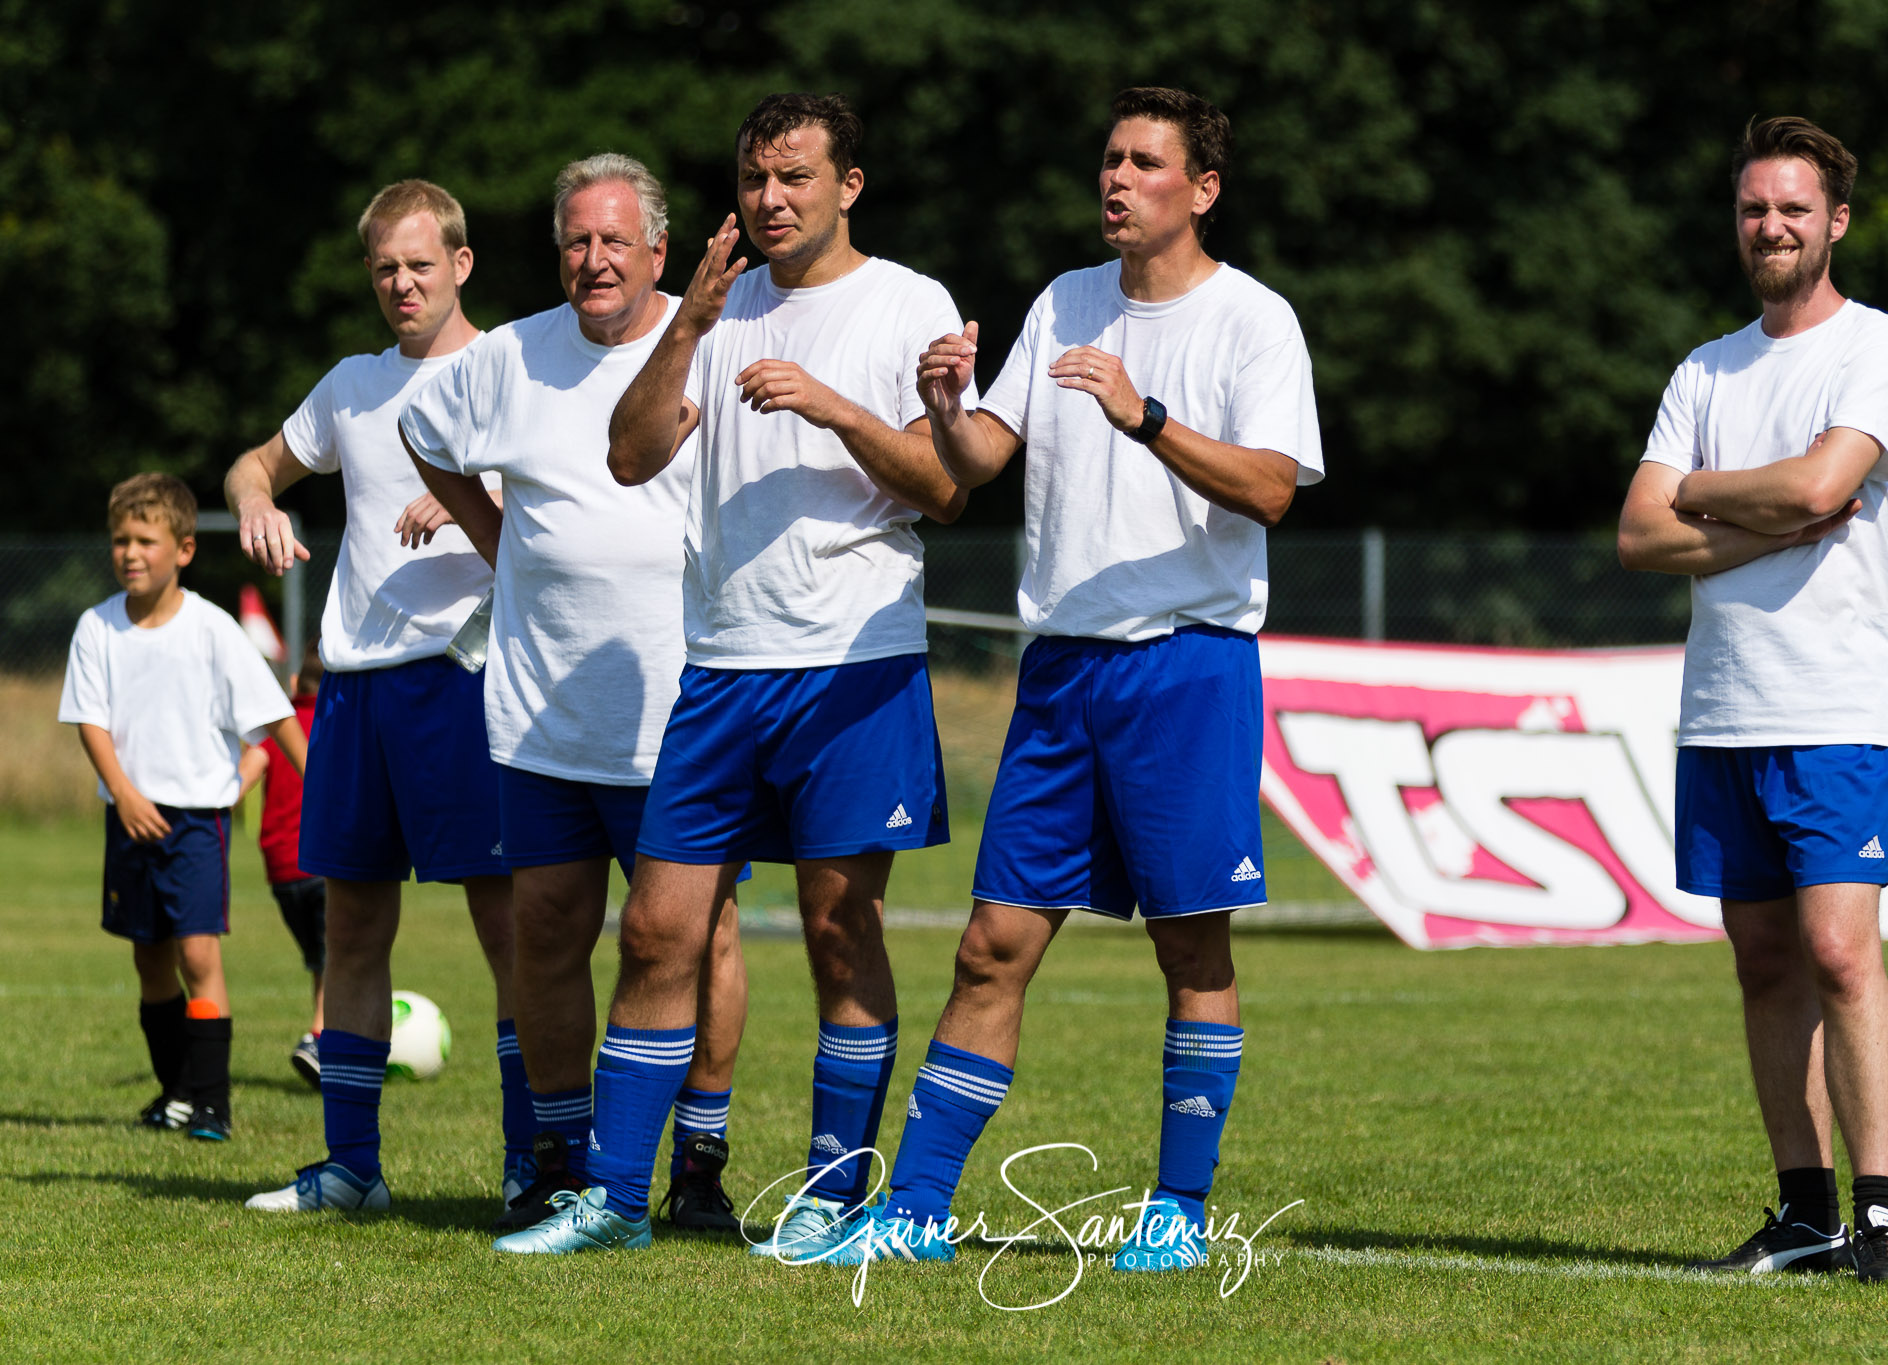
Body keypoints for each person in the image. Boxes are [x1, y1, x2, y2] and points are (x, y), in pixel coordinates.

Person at [840, 86, 1322, 1272]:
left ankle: (1177, 1211)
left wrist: (1144, 414)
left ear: (1199, 189)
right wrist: (946, 406)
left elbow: (1270, 489)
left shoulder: (1253, 322)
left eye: (1142, 162)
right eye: (1107, 157)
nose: (1114, 179)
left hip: (1186, 668)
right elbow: (977, 466)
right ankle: (915, 1212)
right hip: (1058, 674)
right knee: (990, 943)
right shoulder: (1060, 300)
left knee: (1189, 949)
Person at [496, 92, 968, 1256]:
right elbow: (628, 453)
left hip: (851, 661)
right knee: (657, 930)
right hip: (717, 666)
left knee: (838, 931)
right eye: (755, 179)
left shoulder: (907, 303)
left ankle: (830, 1193)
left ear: (846, 185)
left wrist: (833, 405)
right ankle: (608, 1200)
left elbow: (943, 486)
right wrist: (691, 322)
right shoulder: (717, 306)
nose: (769, 199)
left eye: (795, 178)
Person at [400, 153, 750, 1238]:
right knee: (545, 937)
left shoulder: (717, 344)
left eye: (613, 241)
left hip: (683, 709)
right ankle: (559, 1160)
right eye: (575, 242)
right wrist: (495, 541)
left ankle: (695, 1162)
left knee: (699, 943)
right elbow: (423, 431)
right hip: (543, 714)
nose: (593, 261)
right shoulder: (507, 356)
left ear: (657, 249)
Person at [1616, 116, 1888, 1284]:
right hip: (1722, 709)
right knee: (1758, 961)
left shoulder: (1874, 351)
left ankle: (1880, 1213)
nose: (1771, 227)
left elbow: (1821, 483)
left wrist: (1706, 496)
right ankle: (1804, 1213)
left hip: (1834, 702)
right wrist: (1752, 514)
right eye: (1753, 209)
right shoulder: (1702, 368)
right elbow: (1639, 534)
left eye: (1792, 208)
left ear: (1833, 221)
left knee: (1839, 952)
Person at [230, 181, 523, 1214]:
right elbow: (250, 465)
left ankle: (536, 1168)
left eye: (420, 264)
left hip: (468, 682)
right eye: (386, 269)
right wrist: (259, 500)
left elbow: (575, 497)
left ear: (462, 264)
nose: (403, 284)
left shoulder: (514, 370)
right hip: (352, 692)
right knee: (353, 931)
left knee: (512, 932)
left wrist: (466, 497)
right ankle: (352, 1170)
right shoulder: (350, 383)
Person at [59, 473, 308, 1143]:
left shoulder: (213, 629)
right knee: (149, 958)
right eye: (120, 539)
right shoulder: (96, 627)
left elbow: (273, 715)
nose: (130, 552)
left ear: (185, 550)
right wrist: (128, 793)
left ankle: (211, 1103)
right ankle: (172, 1091)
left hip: (196, 821)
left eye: (146, 539)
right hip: (129, 817)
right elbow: (91, 722)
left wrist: (319, 781)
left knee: (199, 956)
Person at [237, 637, 328, 1087]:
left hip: (280, 871)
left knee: (320, 957)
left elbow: (237, 784)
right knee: (342, 956)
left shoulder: (276, 733)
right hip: (323, 864)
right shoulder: (336, 723)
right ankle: (320, 1038)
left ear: (294, 682)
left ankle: (327, 1035)